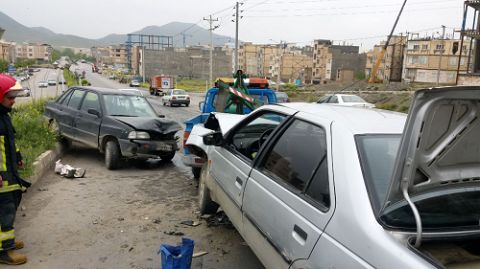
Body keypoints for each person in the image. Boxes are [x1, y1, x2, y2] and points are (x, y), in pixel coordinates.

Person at [0, 74, 31, 265]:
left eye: (14, 97)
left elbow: (10, 141)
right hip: (1, 176)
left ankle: (7, 241)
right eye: (10, 97)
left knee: (11, 204)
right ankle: (4, 251)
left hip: (8, 171)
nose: (13, 101)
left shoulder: (3, 116)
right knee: (6, 209)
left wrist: (17, 157)